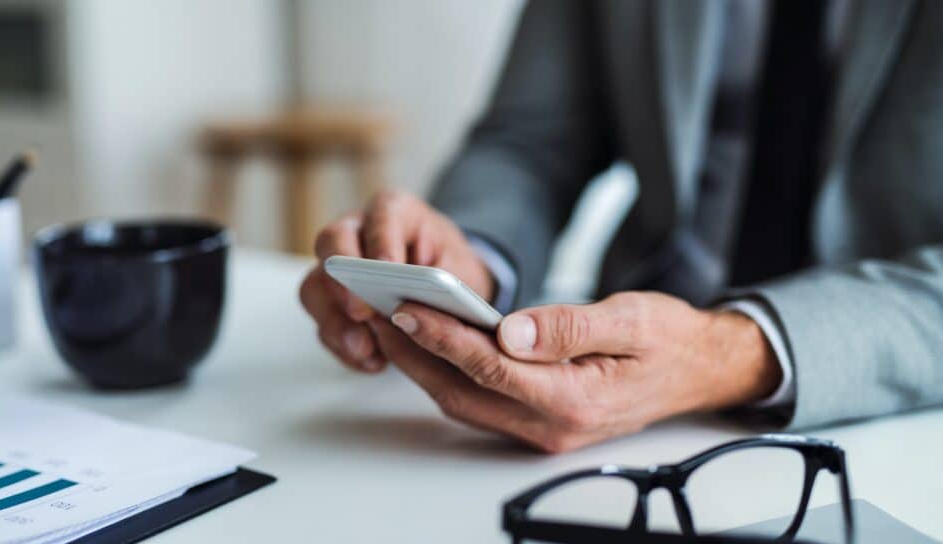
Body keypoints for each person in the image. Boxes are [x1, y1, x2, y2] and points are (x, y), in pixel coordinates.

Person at [299, 0, 943, 453]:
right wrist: (468, 256)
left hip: (887, 415)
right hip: (615, 393)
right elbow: (529, 141)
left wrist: (729, 353)